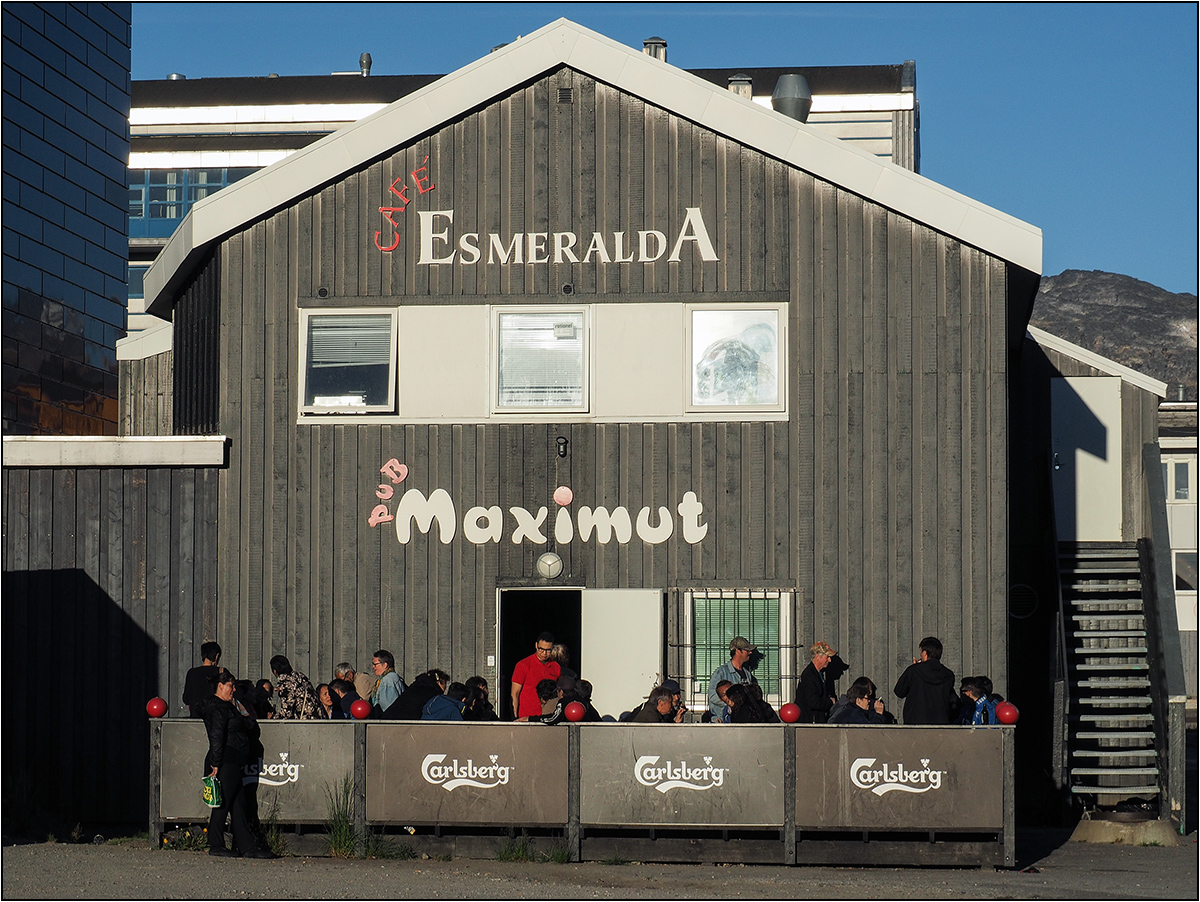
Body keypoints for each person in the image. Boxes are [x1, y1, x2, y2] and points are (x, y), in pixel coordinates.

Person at [196, 671, 276, 859]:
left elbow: (248, 724)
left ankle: (247, 845)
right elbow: (216, 736)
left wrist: (239, 707)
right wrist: (216, 764)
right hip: (225, 759)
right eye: (230, 685)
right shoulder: (218, 708)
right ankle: (215, 843)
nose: (233, 689)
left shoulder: (229, 706)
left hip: (233, 758)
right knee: (223, 803)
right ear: (220, 686)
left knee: (238, 803)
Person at [893, 636, 959, 725]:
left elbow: (899, 691)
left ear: (925, 653)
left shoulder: (914, 671)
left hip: (915, 722)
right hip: (941, 723)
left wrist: (914, 668)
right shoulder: (948, 675)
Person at [510, 632, 561, 720]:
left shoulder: (556, 667)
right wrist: (514, 717)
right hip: (526, 717)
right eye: (541, 649)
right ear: (536, 645)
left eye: (548, 650)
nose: (544, 653)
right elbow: (515, 693)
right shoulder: (523, 665)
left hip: (548, 717)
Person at [708, 637, 758, 720]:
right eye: (747, 650)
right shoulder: (721, 672)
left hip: (741, 720)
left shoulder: (748, 675)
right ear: (738, 651)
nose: (750, 652)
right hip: (723, 721)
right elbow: (712, 695)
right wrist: (731, 703)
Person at [794, 641, 838, 723]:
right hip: (811, 723)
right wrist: (830, 702)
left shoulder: (817, 674)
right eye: (827, 657)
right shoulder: (809, 677)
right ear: (818, 656)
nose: (829, 660)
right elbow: (813, 702)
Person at [270, 655, 321, 719]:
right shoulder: (300, 677)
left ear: (275, 671)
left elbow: (286, 713)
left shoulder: (286, 683)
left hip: (306, 722)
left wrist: (272, 717)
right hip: (317, 718)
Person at [828, 676, 895, 724]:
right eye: (867, 698)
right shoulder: (855, 713)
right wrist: (879, 714)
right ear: (858, 700)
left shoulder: (850, 710)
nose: (869, 701)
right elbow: (871, 733)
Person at [183, 641, 222, 717]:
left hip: (196, 719)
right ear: (217, 656)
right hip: (215, 719)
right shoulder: (221, 672)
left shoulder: (192, 673)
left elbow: (186, 699)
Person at [369, 650, 406, 717]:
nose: (373, 667)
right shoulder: (387, 678)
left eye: (375, 664)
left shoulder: (387, 680)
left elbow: (388, 707)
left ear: (385, 665)